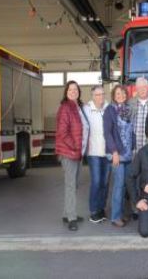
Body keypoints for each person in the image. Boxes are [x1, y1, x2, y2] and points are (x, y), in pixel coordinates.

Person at [55, 80, 89, 231]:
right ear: (66, 92)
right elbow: (63, 133)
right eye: (70, 90)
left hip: (77, 153)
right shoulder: (65, 108)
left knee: (73, 184)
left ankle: (66, 213)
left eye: (76, 89)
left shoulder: (78, 107)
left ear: (79, 91)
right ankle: (71, 218)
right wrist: (76, 146)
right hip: (69, 153)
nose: (73, 92)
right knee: (70, 185)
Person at [104, 85, 135, 227]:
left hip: (129, 154)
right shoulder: (110, 110)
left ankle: (121, 213)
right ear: (113, 95)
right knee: (118, 186)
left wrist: (134, 149)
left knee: (125, 186)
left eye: (123, 93)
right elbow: (108, 133)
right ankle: (115, 217)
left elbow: (131, 132)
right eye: (117, 93)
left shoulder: (128, 110)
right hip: (117, 154)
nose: (120, 95)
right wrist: (115, 152)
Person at [83, 85, 110, 223]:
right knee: (96, 182)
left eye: (102, 94)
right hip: (93, 153)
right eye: (97, 95)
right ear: (92, 96)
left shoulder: (108, 108)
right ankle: (94, 211)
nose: (100, 97)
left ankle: (101, 209)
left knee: (105, 183)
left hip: (107, 153)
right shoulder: (87, 109)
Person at [129, 77, 148, 153]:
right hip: (134, 149)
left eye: (144, 87)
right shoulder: (130, 103)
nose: (142, 90)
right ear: (136, 89)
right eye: (139, 87)